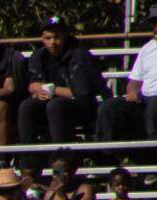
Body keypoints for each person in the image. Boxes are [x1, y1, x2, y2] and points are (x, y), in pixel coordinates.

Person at [20, 15, 106, 146]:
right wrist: (37, 91)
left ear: (65, 36)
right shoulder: (39, 56)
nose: (52, 42)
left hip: (81, 107)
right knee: (27, 106)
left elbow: (80, 93)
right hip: (50, 104)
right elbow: (32, 84)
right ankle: (28, 159)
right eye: (48, 38)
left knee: (55, 106)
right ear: (42, 39)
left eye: (57, 37)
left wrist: (52, 89)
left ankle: (60, 158)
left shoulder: (79, 55)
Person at [99, 16, 157, 141]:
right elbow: (134, 81)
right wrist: (133, 92)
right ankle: (106, 154)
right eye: (155, 24)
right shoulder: (148, 49)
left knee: (154, 106)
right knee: (109, 107)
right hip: (144, 99)